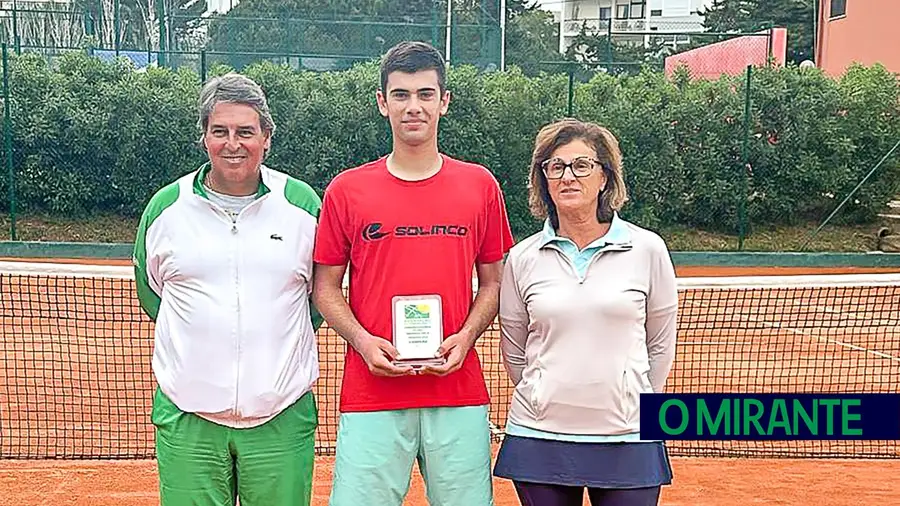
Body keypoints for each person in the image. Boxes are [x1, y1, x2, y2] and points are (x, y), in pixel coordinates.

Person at [312, 40, 514, 506]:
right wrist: (364, 342)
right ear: (383, 103)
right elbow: (325, 287)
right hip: (372, 390)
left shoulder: (479, 185)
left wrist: (465, 338)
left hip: (458, 389)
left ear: (444, 102)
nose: (413, 107)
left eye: (425, 94)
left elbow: (494, 282)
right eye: (401, 95)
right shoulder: (347, 190)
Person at [133, 72, 323, 506]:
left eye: (245, 132)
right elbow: (153, 294)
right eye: (220, 131)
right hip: (188, 417)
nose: (232, 143)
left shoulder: (303, 205)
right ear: (204, 137)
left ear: (267, 138)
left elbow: (316, 301)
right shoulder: (166, 208)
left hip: (282, 417)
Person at [494, 118, 678, 506]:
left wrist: (632, 401)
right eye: (555, 167)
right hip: (539, 436)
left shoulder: (648, 249)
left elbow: (660, 345)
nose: (567, 177)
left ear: (605, 178)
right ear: (543, 178)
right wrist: (545, 394)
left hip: (628, 436)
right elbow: (514, 349)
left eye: (582, 165)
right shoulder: (522, 257)